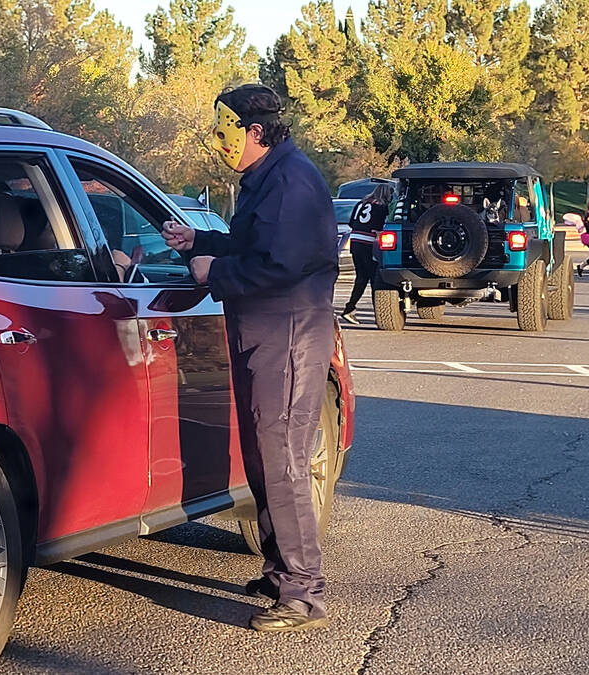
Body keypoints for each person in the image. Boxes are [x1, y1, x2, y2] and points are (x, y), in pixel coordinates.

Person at [162, 83, 338, 633]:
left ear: (254, 132)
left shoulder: (289, 182)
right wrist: (201, 242)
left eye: (223, 132)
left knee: (281, 457)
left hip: (285, 334)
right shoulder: (267, 179)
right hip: (264, 332)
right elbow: (255, 244)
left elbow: (277, 266)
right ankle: (280, 571)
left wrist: (214, 273)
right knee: (265, 456)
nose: (218, 143)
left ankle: (303, 592)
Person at [340, 184, 394, 324]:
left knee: (361, 277)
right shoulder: (381, 206)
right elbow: (381, 226)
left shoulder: (361, 203)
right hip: (368, 243)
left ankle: (349, 308)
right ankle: (380, 314)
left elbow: (352, 222)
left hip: (355, 242)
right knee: (375, 278)